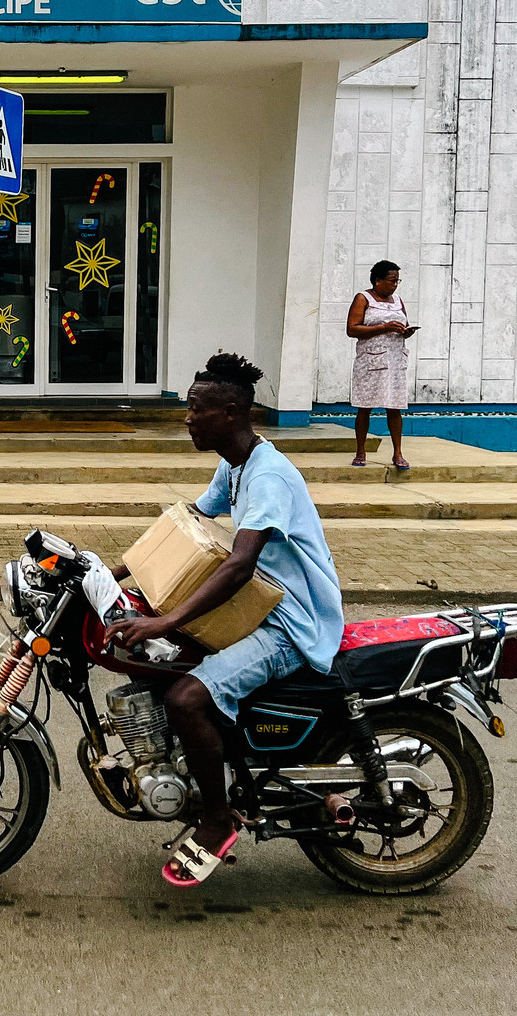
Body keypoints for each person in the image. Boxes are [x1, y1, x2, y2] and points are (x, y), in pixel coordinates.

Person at [104, 351, 345, 887]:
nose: (187, 418)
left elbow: (238, 566)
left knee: (186, 696)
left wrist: (164, 623)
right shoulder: (235, 463)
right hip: (261, 608)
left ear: (232, 413)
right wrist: (110, 573)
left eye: (196, 409)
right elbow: (189, 523)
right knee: (162, 664)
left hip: (289, 622)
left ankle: (216, 821)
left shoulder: (269, 479)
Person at [346, 259, 413, 470]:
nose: (395, 285)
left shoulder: (398, 301)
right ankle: (360, 451)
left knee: (395, 407)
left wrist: (406, 331)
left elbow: (404, 323)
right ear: (378, 280)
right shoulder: (363, 298)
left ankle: (398, 453)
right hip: (371, 360)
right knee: (365, 407)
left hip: (394, 360)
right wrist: (384, 327)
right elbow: (352, 329)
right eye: (392, 280)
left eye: (397, 281)